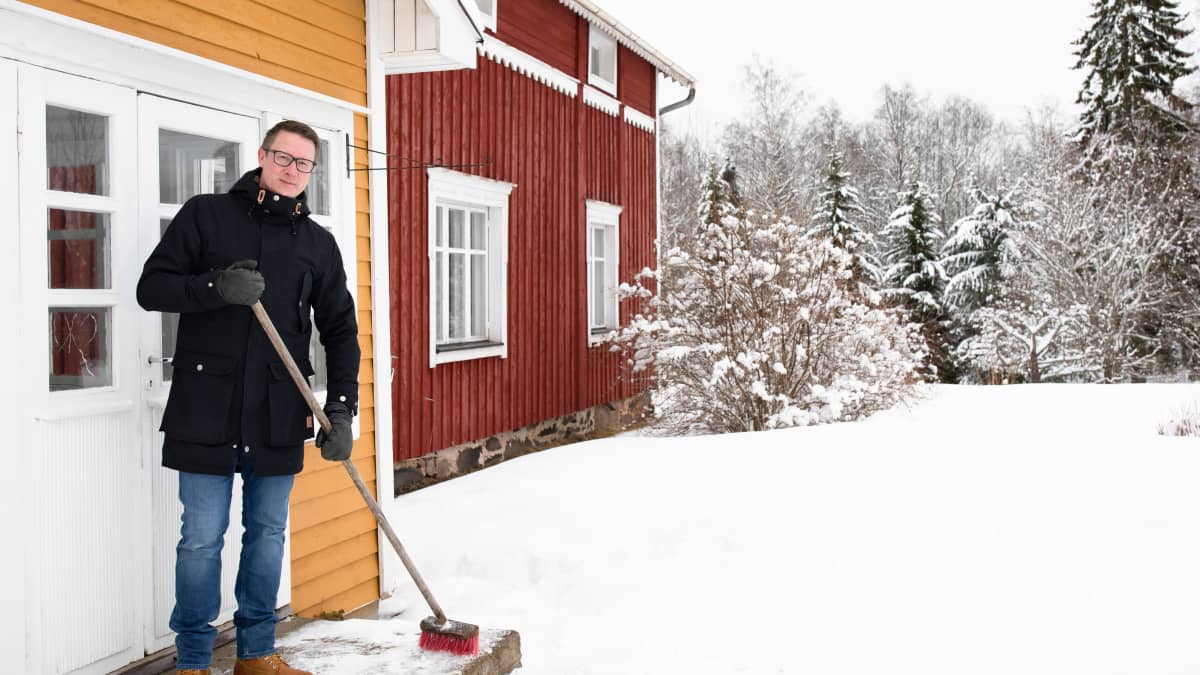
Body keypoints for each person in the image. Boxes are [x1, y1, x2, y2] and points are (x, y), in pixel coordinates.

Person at [138, 120, 360, 675]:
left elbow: (340, 330)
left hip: (279, 409)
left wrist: (341, 408)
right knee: (201, 540)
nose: (291, 170)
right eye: (283, 157)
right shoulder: (205, 215)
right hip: (205, 407)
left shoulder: (317, 243)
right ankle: (192, 660)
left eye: (303, 163)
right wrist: (215, 288)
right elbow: (152, 288)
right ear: (262, 156)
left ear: (312, 172)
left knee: (266, 534)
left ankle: (257, 654)